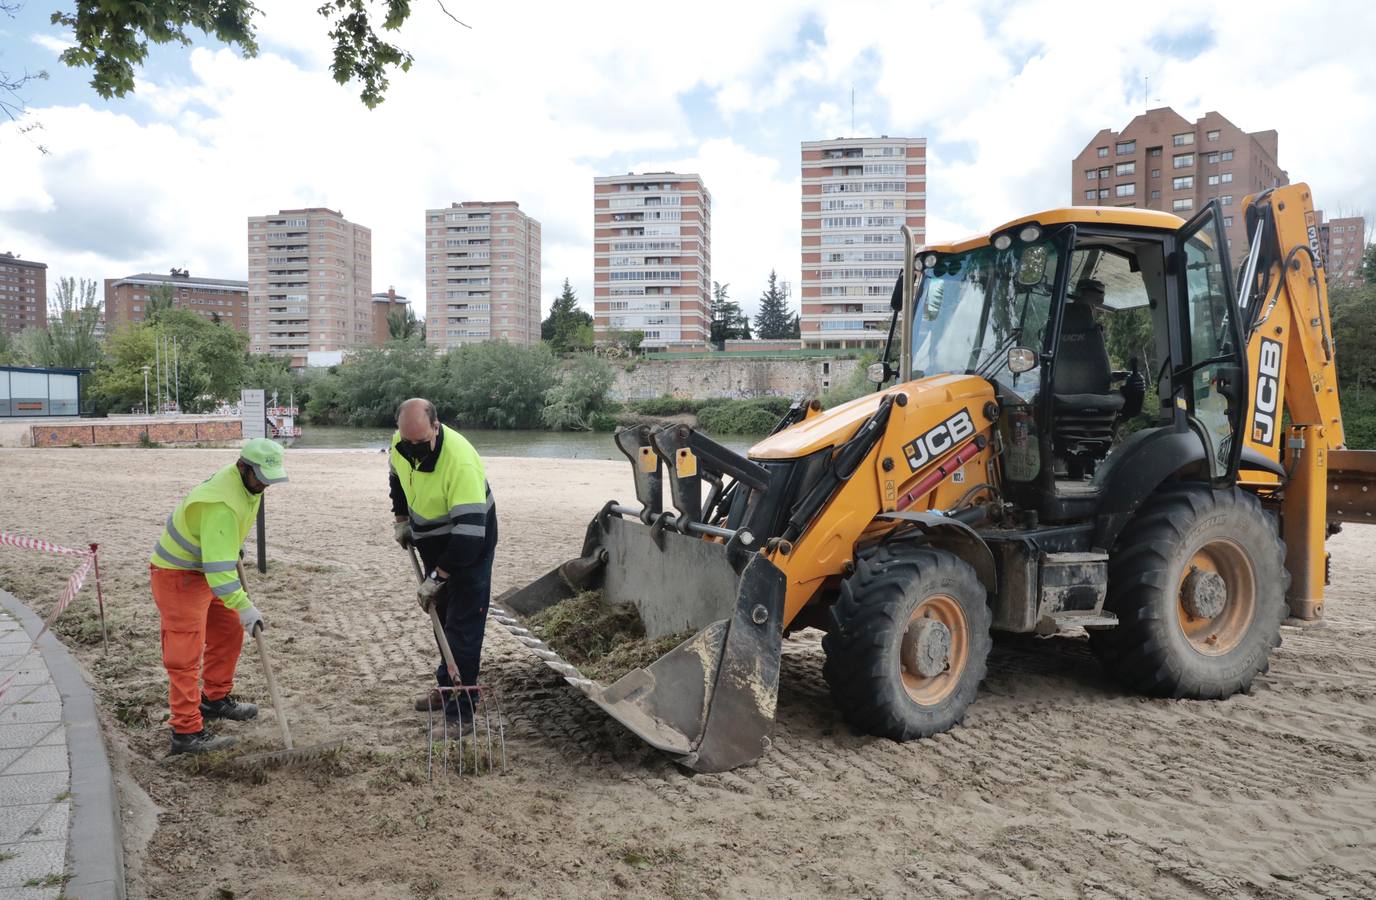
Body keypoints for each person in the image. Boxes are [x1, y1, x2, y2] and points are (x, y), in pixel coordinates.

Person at [149, 438, 288, 755]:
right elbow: (219, 574)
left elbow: (220, 546)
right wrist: (245, 607)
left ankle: (214, 699)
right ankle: (185, 732)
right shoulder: (221, 503)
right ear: (243, 467)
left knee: (227, 632)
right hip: (179, 574)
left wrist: (229, 545)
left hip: (207, 565)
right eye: (261, 478)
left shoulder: (246, 485)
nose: (265, 486)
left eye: (270, 479)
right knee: (184, 655)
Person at [388, 398, 498, 730]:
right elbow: (397, 477)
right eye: (407, 443)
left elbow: (468, 539)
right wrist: (401, 518)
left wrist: (437, 577)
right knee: (443, 615)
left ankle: (460, 711)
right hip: (431, 538)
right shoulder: (402, 444)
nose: (414, 450)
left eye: (421, 444)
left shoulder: (460, 462)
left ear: (436, 427)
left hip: (470, 541)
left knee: (462, 625)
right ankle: (446, 684)